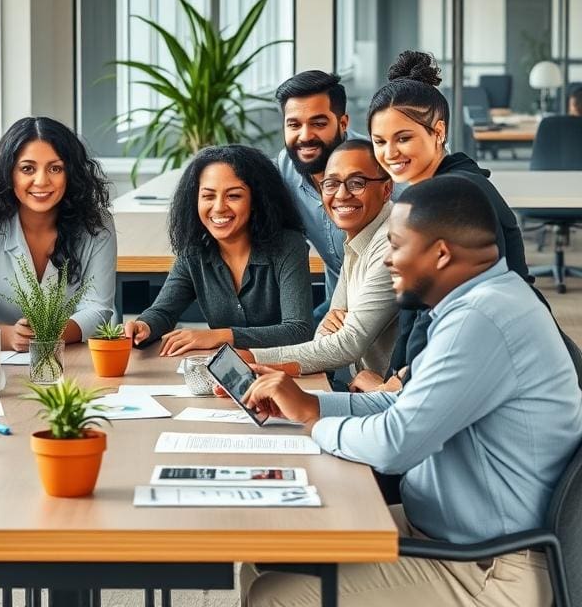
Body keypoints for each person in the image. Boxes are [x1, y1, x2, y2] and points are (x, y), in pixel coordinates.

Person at [240, 176, 582, 607]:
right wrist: (311, 403)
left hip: (489, 567)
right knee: (267, 551)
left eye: (398, 246)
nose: (387, 261)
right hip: (452, 537)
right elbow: (400, 404)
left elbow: (395, 444)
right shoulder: (477, 301)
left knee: (276, 595)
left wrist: (316, 424)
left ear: (441, 253)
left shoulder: (481, 318)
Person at [367, 50, 530, 388]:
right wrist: (397, 378)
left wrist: (399, 383)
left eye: (404, 138)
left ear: (438, 132)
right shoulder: (444, 184)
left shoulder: (454, 197)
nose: (389, 153)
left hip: (506, 361)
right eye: (379, 141)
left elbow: (446, 303)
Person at [124, 145, 313, 355]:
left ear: (256, 200)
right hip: (227, 376)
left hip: (286, 372)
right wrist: (144, 326)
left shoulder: (288, 246)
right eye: (208, 196)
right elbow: (164, 312)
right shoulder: (194, 253)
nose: (219, 207)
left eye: (233, 196)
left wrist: (221, 336)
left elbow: (299, 330)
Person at [0, 116, 116, 351]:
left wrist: (46, 334)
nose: (41, 181)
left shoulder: (97, 225)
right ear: (9, 173)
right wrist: (9, 336)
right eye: (27, 169)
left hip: (72, 357)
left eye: (55, 168)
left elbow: (98, 309)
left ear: (71, 173)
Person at [248, 140, 399, 382]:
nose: (341, 194)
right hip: (361, 388)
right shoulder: (359, 236)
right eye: (331, 184)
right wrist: (335, 333)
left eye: (357, 183)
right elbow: (326, 334)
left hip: (387, 399)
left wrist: (250, 358)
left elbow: (347, 345)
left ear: (387, 189)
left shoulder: (392, 240)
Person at [274, 71, 357, 322]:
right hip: (335, 309)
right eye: (294, 124)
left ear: (343, 124)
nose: (305, 135)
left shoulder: (379, 171)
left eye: (319, 123)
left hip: (387, 316)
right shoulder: (286, 167)